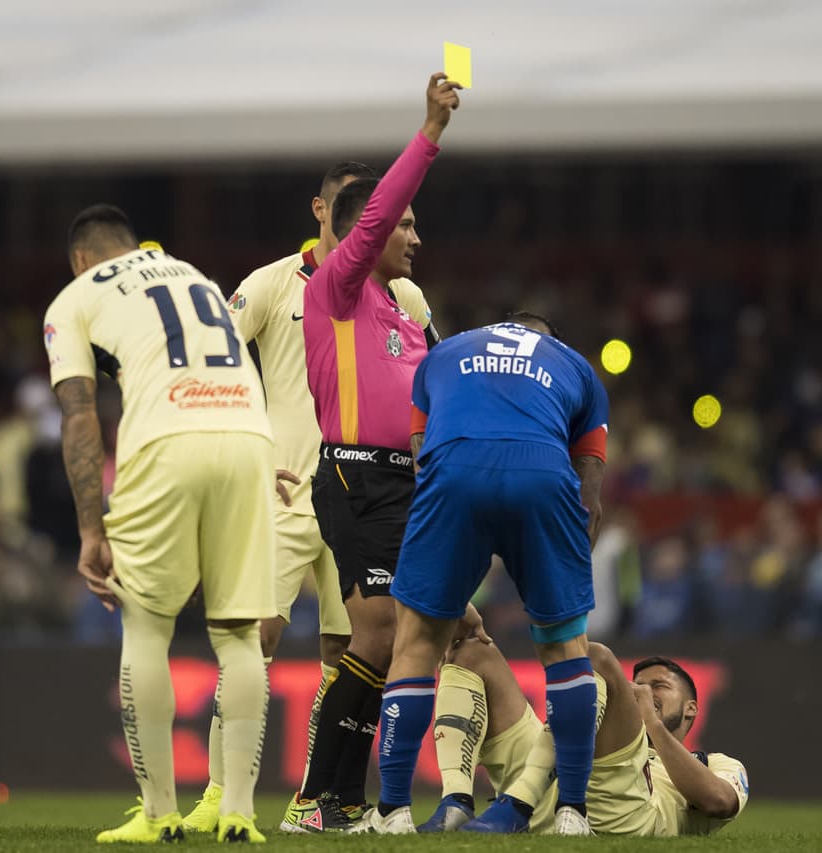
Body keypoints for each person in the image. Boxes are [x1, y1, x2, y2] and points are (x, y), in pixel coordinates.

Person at [44, 205, 277, 843]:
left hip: (163, 440)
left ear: (82, 259)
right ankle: (239, 815)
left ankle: (159, 815)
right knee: (237, 635)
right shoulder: (191, 273)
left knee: (147, 630)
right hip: (249, 438)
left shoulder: (74, 298)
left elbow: (80, 416)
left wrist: (92, 530)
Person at [357, 312, 609, 834]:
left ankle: (394, 811)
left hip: (455, 474)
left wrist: (441, 556)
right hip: (542, 475)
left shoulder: (443, 355)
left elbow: (420, 455)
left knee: (418, 642)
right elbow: (590, 484)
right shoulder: (576, 367)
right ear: (548, 338)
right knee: (565, 647)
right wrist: (568, 551)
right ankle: (573, 812)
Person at [181, 161, 375, 834]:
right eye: (344, 202)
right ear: (319, 209)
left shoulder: (395, 291)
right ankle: (217, 794)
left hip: (361, 500)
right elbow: (213, 362)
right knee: (253, 636)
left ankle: (319, 799)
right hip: (286, 493)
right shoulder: (268, 284)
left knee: (350, 655)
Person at [291, 72, 459, 830]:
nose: (416, 237)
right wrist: (429, 132)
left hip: (405, 484)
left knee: (388, 637)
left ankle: (334, 800)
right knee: (381, 632)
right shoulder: (339, 287)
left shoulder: (401, 311)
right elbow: (380, 206)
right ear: (370, 230)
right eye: (406, 225)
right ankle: (320, 800)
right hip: (356, 478)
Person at [418, 638, 748, 835]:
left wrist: (652, 725)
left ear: (691, 708)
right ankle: (456, 801)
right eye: (637, 684)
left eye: (658, 686)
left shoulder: (717, 763)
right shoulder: (614, 721)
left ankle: (520, 800)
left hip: (623, 812)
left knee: (594, 656)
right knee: (473, 652)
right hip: (556, 787)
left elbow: (718, 803)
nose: (641, 691)